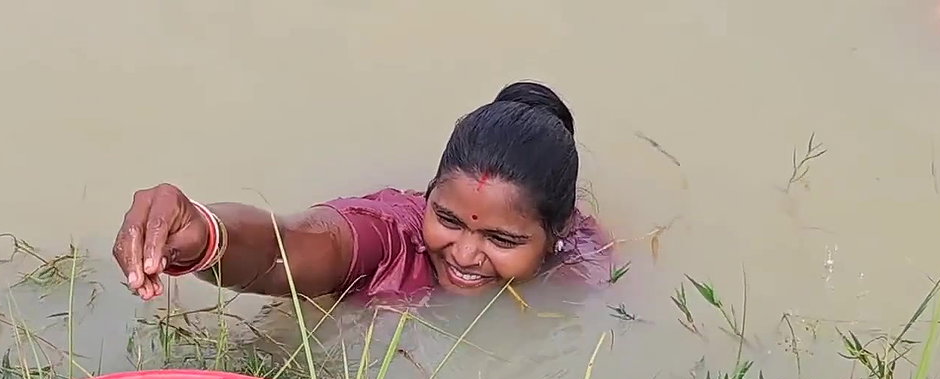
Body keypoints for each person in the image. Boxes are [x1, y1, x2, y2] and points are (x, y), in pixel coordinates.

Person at [112, 81, 614, 306]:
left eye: (501, 240)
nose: (463, 254)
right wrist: (207, 236)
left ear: (557, 234)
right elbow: (289, 249)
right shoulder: (394, 234)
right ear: (428, 195)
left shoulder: (583, 265)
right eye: (448, 218)